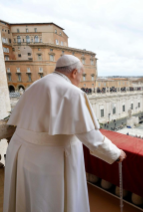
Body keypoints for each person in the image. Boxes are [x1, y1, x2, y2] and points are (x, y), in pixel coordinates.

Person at [4, 55, 126, 212]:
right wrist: (115, 153)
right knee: (47, 202)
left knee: (27, 200)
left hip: (21, 154)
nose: (80, 81)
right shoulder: (72, 92)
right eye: (81, 75)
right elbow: (91, 137)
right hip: (48, 161)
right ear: (74, 72)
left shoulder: (35, 85)